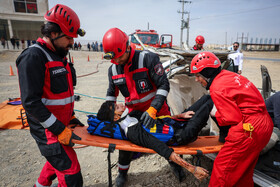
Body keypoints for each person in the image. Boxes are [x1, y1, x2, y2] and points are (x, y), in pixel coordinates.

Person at [16, 4, 86, 187]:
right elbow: (31, 102)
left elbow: (61, 95)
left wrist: (70, 118)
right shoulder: (33, 57)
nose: (72, 43)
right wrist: (58, 128)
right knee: (71, 172)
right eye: (69, 38)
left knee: (56, 160)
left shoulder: (59, 55)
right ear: (54, 34)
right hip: (47, 130)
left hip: (60, 125)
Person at [190, 51, 273, 186]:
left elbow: (232, 118)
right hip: (264, 124)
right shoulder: (230, 76)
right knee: (243, 172)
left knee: (222, 170)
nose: (196, 79)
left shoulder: (217, 87)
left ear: (207, 73)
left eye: (198, 76)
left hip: (249, 128)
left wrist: (214, 113)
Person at [102, 27, 173, 186]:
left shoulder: (148, 59)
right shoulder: (113, 69)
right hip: (133, 113)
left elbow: (163, 85)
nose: (117, 62)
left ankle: (175, 164)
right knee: (125, 142)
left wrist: (153, 109)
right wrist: (110, 110)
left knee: (166, 140)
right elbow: (111, 93)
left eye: (119, 57)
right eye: (114, 59)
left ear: (127, 47)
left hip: (158, 111)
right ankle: (122, 173)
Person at [94, 97, 214, 181]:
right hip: (183, 135)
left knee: (207, 97)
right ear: (115, 118)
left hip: (177, 123)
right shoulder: (133, 132)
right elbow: (162, 149)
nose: (120, 104)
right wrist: (192, 169)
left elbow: (158, 119)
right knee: (211, 102)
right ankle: (226, 133)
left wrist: (179, 116)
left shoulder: (133, 115)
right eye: (116, 107)